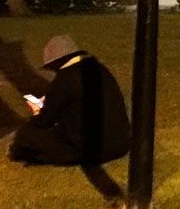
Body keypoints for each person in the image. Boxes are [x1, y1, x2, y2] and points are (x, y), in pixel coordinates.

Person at [9, 35, 131, 166]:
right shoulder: (100, 69)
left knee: (27, 135)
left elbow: (44, 121)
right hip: (120, 145)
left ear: (57, 62)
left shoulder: (65, 78)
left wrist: (37, 111)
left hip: (90, 150)